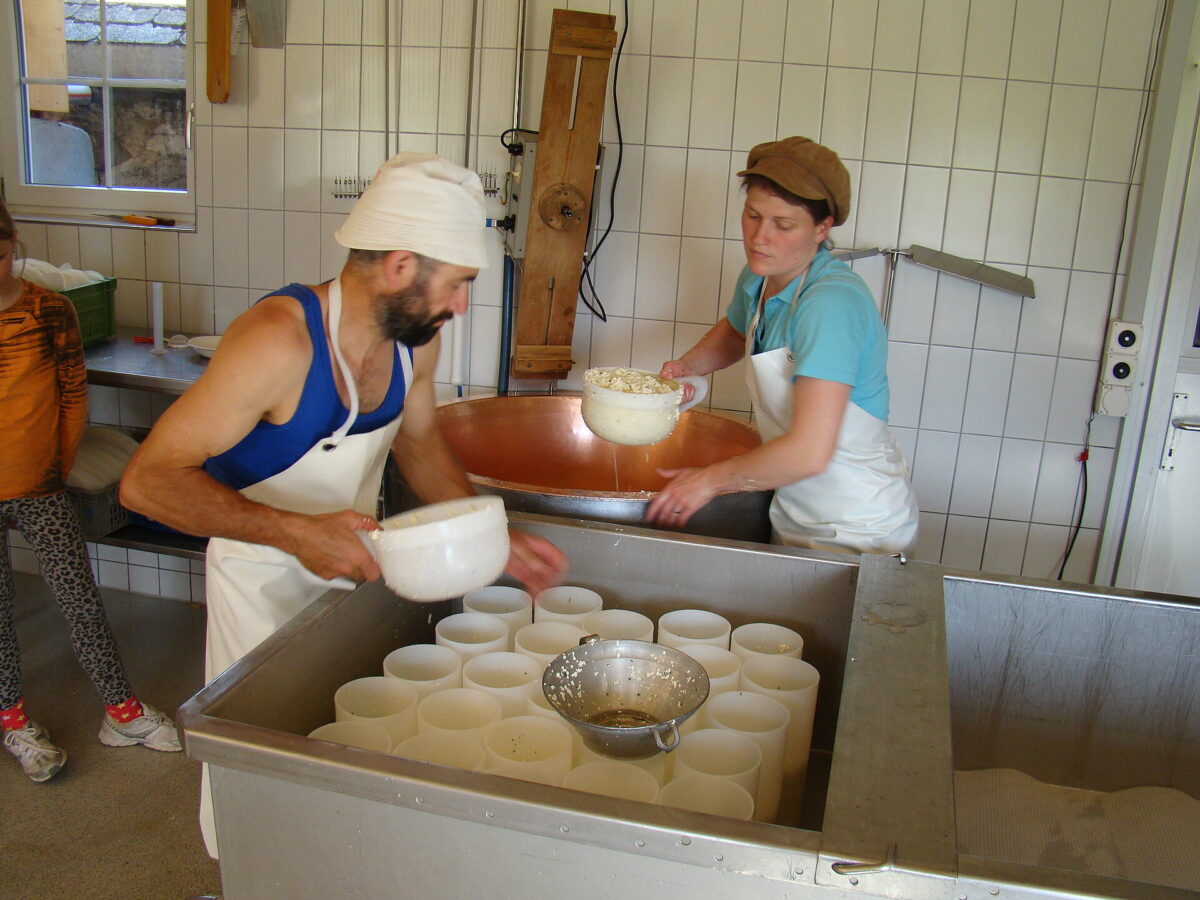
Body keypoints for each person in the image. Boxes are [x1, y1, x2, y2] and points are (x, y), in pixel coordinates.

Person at [119, 152, 569, 855]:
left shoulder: (414, 345)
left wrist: (489, 532)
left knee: (334, 745)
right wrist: (295, 532)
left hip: (347, 573)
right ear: (399, 265)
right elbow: (146, 482)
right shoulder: (279, 340)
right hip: (260, 583)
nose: (460, 306)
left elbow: (420, 446)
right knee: (259, 759)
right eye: (458, 285)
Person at [645, 136, 919, 554]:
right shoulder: (761, 276)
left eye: (783, 225)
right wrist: (688, 368)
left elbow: (808, 453)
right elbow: (738, 331)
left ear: (822, 228)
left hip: (858, 528)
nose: (760, 237)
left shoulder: (830, 305)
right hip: (793, 507)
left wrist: (708, 480)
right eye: (753, 216)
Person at [0, 199, 180, 783]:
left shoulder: (49, 311)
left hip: (40, 486)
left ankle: (122, 713)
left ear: (13, 246)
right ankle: (13, 722)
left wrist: (54, 468)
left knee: (79, 599)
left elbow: (73, 396)